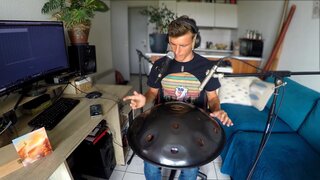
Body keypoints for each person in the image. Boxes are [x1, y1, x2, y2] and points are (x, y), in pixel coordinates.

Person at [123, 15, 233, 180]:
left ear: (195, 40)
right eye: (173, 44)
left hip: (193, 126)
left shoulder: (207, 67)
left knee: (190, 171)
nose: (177, 51)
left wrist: (217, 110)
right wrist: (145, 99)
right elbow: (152, 92)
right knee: (151, 165)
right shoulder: (161, 64)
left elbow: (212, 98)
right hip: (163, 121)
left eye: (183, 45)